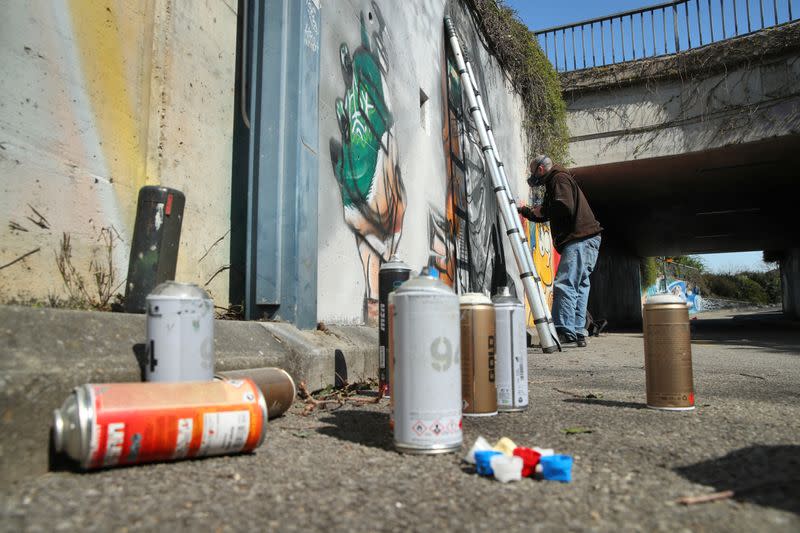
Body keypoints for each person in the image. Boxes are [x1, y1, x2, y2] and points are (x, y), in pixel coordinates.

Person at [517, 155, 602, 347]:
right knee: (580, 286)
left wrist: (544, 209)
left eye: (534, 173)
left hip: (579, 238)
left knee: (565, 283)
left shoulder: (558, 178)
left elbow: (563, 206)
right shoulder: (560, 179)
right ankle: (579, 331)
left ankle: (564, 331)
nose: (534, 178)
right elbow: (554, 210)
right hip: (589, 238)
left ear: (540, 169)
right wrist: (527, 212)